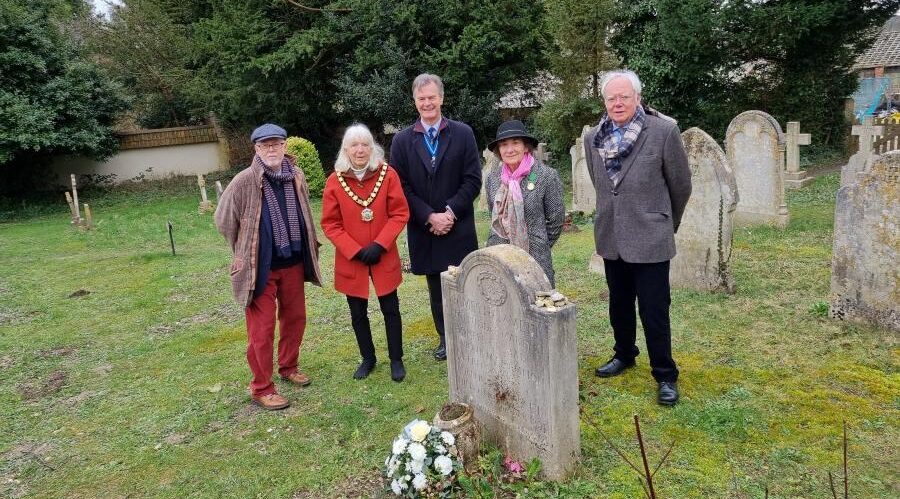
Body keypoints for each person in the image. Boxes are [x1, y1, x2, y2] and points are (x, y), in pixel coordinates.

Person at [584, 70, 692, 406]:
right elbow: (601, 184)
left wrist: (663, 224)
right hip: (612, 236)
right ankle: (624, 354)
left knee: (654, 310)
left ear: (637, 98)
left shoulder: (663, 131)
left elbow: (681, 185)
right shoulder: (593, 138)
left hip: (651, 238)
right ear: (604, 101)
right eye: (611, 98)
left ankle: (665, 374)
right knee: (619, 304)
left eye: (624, 97)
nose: (617, 103)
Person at [214, 123, 322, 411]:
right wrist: (245, 248)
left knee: (295, 318)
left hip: (293, 262)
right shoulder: (245, 180)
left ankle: (288, 366)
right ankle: (261, 387)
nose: (272, 149)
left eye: (277, 144)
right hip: (259, 268)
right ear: (257, 149)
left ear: (285, 146)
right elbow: (223, 220)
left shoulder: (296, 175)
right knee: (261, 331)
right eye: (265, 145)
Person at [390, 73, 482, 361]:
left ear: (441, 98)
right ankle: (446, 337)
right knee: (436, 286)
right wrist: (429, 216)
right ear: (414, 102)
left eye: (432, 97)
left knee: (464, 282)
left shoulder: (463, 133)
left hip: (458, 225)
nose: (427, 103)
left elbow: (472, 179)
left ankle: (470, 334)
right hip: (425, 227)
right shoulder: (402, 141)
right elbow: (400, 185)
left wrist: (450, 212)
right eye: (421, 98)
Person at [321, 124, 410, 382]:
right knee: (357, 312)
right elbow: (330, 223)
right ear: (345, 149)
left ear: (373, 148)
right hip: (353, 259)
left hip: (383, 255)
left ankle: (396, 359)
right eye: (354, 145)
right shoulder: (335, 181)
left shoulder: (387, 174)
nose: (360, 150)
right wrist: (354, 250)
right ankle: (368, 358)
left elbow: (400, 213)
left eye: (365, 144)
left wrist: (380, 244)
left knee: (390, 308)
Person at [484, 120, 565, 286]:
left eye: (515, 143)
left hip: (535, 258)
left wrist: (538, 243)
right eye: (504, 144)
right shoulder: (493, 178)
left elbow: (556, 220)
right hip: (500, 255)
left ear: (526, 146)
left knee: (539, 305)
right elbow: (495, 214)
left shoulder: (546, 176)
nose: (510, 149)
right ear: (499, 150)